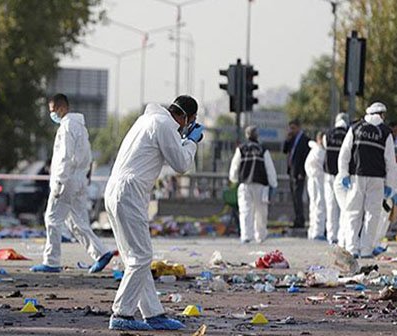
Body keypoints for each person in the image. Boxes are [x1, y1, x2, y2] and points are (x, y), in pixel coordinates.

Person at [105, 95, 204, 331]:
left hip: (118, 191)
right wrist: (192, 142)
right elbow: (180, 164)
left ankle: (153, 313)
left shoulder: (149, 120)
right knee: (141, 257)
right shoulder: (164, 124)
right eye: (190, 122)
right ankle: (122, 313)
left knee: (135, 258)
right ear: (186, 117)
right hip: (129, 193)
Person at [31, 94, 115, 274]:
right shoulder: (80, 127)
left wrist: (59, 181)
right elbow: (87, 156)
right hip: (79, 179)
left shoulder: (67, 127)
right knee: (77, 221)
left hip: (67, 179)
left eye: (53, 111)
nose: (52, 114)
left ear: (61, 108)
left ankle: (51, 261)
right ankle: (101, 253)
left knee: (52, 219)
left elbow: (65, 157)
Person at [337, 102, 397, 258]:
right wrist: (389, 185)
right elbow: (390, 161)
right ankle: (366, 250)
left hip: (357, 176)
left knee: (353, 213)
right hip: (376, 179)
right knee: (372, 215)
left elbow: (344, 153)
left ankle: (351, 248)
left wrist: (344, 174)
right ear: (382, 115)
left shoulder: (355, 127)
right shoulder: (385, 132)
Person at [228, 125, 278, 244]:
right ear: (257, 135)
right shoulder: (263, 150)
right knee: (261, 212)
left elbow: (234, 167)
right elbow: (270, 169)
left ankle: (246, 236)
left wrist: (234, 179)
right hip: (261, 185)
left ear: (246, 135)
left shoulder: (241, 149)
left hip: (245, 184)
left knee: (245, 211)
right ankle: (260, 236)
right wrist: (273, 184)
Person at [323, 112, 349, 244]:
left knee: (330, 205)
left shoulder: (328, 134)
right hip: (342, 175)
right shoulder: (348, 134)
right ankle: (341, 236)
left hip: (328, 174)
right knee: (344, 207)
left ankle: (331, 235)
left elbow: (325, 147)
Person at [283, 119, 310, 228]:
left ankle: (300, 220)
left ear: (299, 127)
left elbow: (305, 158)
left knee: (298, 197)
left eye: (293, 128)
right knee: (294, 197)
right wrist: (287, 139)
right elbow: (285, 150)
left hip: (299, 173)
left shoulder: (305, 140)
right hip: (291, 172)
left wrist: (302, 172)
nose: (291, 130)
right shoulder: (292, 139)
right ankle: (297, 218)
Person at [305, 132, 327, 240]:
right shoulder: (319, 151)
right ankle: (318, 231)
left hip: (313, 180)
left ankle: (313, 230)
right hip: (318, 180)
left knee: (314, 206)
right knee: (319, 205)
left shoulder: (314, 150)